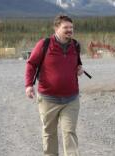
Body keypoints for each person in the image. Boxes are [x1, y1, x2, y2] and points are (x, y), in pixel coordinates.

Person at [25, 14, 84, 156]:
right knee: (49, 134)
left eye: (71, 27)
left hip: (71, 99)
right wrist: (28, 85)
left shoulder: (75, 45)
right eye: (66, 27)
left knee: (69, 132)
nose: (69, 30)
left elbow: (77, 64)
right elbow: (31, 64)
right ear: (56, 28)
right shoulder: (44, 44)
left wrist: (80, 68)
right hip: (48, 99)